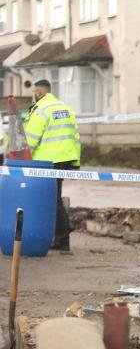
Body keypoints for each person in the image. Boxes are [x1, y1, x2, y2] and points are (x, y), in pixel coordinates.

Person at [24, 79, 81, 252]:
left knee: (51, 200)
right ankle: (61, 235)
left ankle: (63, 237)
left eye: (34, 93)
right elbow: (75, 137)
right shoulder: (66, 108)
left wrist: (23, 160)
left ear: (39, 92)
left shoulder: (41, 110)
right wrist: (75, 162)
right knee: (54, 198)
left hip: (46, 162)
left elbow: (30, 140)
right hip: (64, 160)